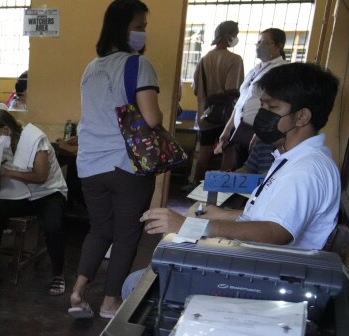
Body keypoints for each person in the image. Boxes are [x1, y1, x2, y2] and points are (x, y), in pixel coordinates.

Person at [142, 63, 341, 251]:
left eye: (272, 108)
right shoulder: (292, 157)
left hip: (268, 275)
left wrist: (192, 225)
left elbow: (275, 232)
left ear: (301, 117)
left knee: (139, 279)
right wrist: (225, 215)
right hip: (257, 261)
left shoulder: (307, 170)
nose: (262, 115)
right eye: (262, 106)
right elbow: (270, 215)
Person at [67, 0, 162, 320]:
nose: (142, 33)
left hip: (89, 164)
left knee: (99, 231)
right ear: (122, 28)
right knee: (125, 236)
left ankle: (78, 292)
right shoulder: (137, 64)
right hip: (126, 164)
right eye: (139, 27)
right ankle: (110, 302)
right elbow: (150, 118)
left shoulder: (91, 67)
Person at [0, 110, 68, 295]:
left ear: (6, 130)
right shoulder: (5, 143)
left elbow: (40, 176)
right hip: (23, 194)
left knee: (52, 226)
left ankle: (58, 275)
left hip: (49, 192)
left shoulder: (35, 139)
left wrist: (6, 172)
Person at [216, 28, 288, 171]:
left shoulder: (281, 70)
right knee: (239, 170)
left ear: (278, 46)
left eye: (265, 43)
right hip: (242, 131)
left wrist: (262, 131)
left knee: (254, 173)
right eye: (258, 42)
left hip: (260, 135)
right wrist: (228, 129)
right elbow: (241, 102)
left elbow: (277, 105)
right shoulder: (254, 69)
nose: (260, 46)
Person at [187, 20, 244, 189]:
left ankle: (196, 187)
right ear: (229, 36)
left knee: (204, 153)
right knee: (227, 152)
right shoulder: (235, 59)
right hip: (225, 116)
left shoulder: (204, 59)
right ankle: (220, 191)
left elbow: (196, 89)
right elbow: (231, 87)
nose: (236, 38)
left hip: (205, 115)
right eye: (236, 34)